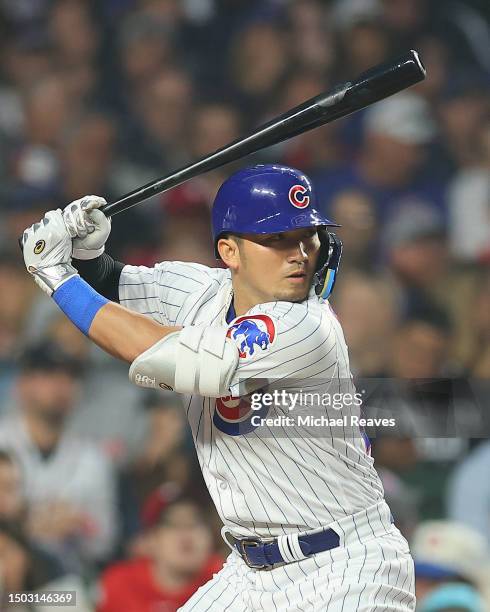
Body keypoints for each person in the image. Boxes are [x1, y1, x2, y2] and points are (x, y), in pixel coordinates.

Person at [21, 164, 415, 610]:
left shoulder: (306, 325)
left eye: (307, 236)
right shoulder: (201, 291)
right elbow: (114, 286)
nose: (300, 253)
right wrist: (86, 255)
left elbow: (163, 355)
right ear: (229, 252)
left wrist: (57, 276)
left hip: (345, 565)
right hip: (250, 572)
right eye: (276, 239)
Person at [0, 341, 118, 573]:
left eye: (71, 376)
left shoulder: (93, 458)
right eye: (48, 373)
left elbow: (106, 541)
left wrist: (78, 526)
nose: (62, 384)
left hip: (66, 583)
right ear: (22, 384)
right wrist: (28, 525)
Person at [97, 491, 223, 612]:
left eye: (195, 523)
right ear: (151, 539)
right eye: (175, 524)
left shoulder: (225, 580)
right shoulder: (119, 584)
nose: (186, 536)